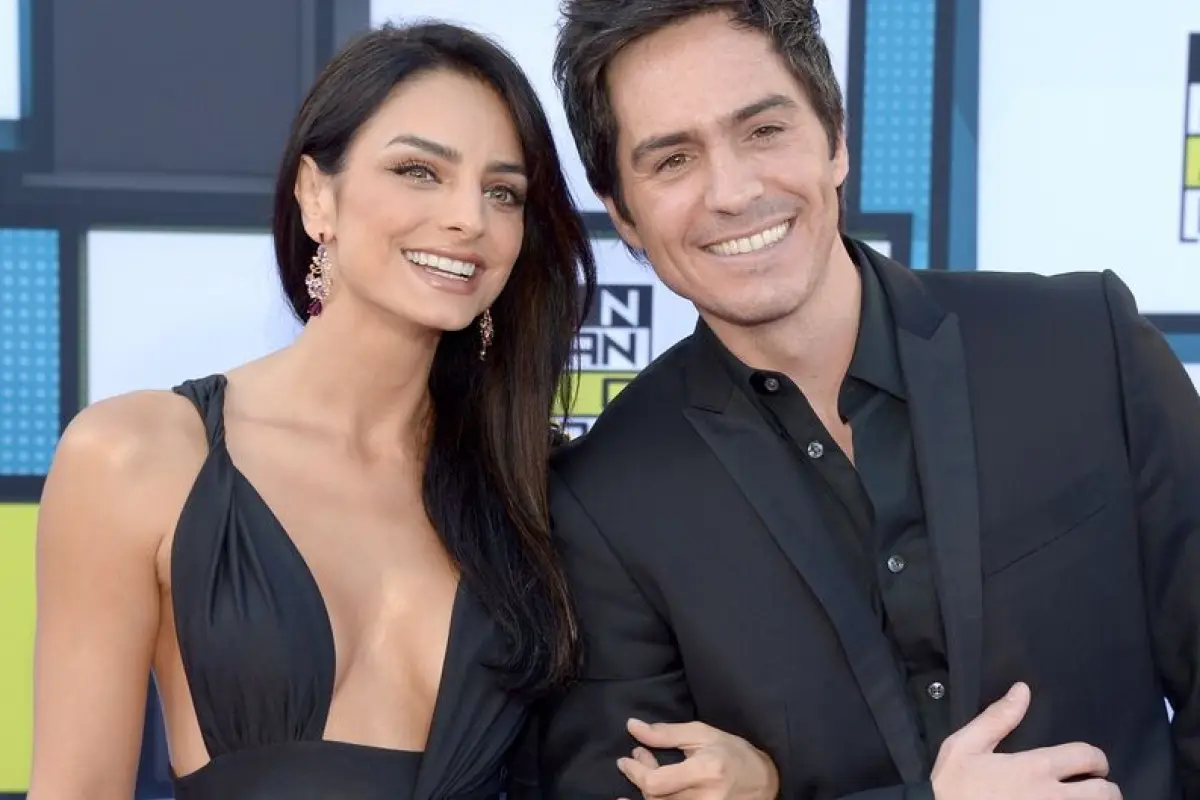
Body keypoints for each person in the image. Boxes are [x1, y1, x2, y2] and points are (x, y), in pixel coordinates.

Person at [526, 0, 1200, 797]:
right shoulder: (607, 502)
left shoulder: (1085, 348)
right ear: (623, 215)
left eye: (764, 131)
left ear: (836, 140)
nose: (734, 192)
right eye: (672, 160)